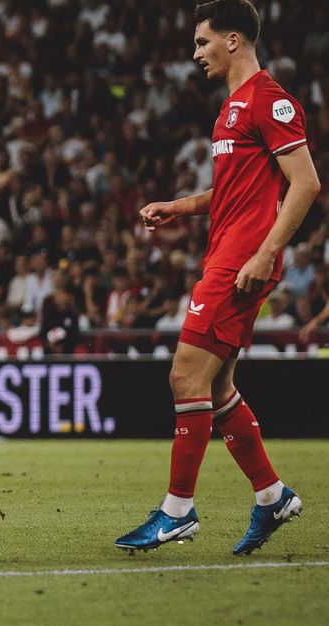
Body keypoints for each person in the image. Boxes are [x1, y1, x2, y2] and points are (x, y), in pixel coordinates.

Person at [117, 0, 319, 555]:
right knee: (218, 386)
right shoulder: (232, 107)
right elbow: (231, 193)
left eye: (203, 42)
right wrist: (179, 206)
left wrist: (265, 252)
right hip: (226, 253)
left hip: (241, 260)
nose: (195, 53)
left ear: (233, 40)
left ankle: (177, 511)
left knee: (185, 377)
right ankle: (272, 496)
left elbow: (304, 185)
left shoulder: (269, 100)